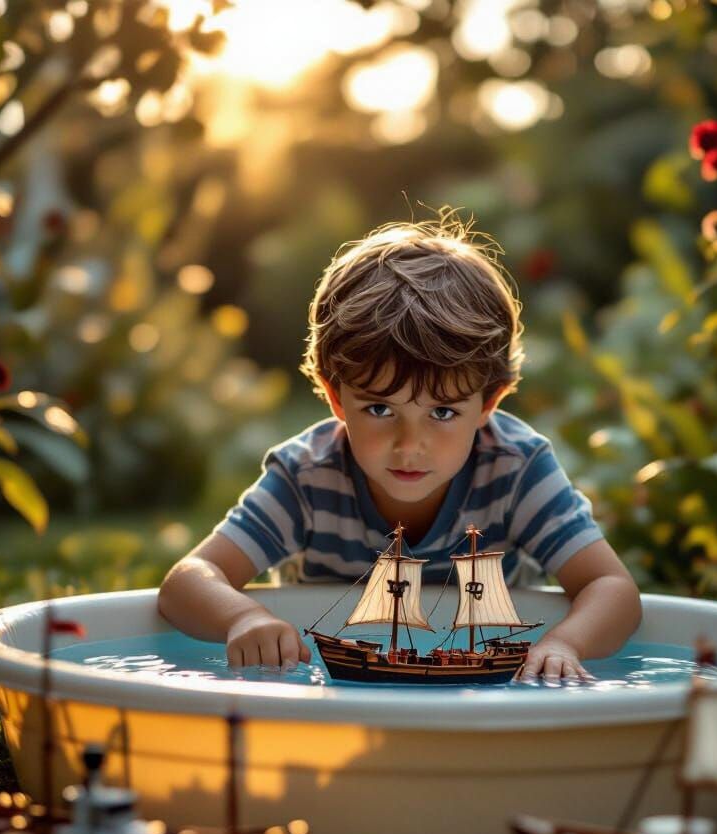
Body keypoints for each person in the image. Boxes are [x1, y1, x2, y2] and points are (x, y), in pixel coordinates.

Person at [158, 213, 641, 680]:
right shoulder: (307, 477)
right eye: (380, 409)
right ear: (336, 397)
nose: (410, 446)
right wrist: (243, 618)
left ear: (488, 402)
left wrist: (565, 643)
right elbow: (189, 578)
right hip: (338, 696)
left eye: (443, 413)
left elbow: (612, 587)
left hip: (483, 700)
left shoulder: (517, 471)